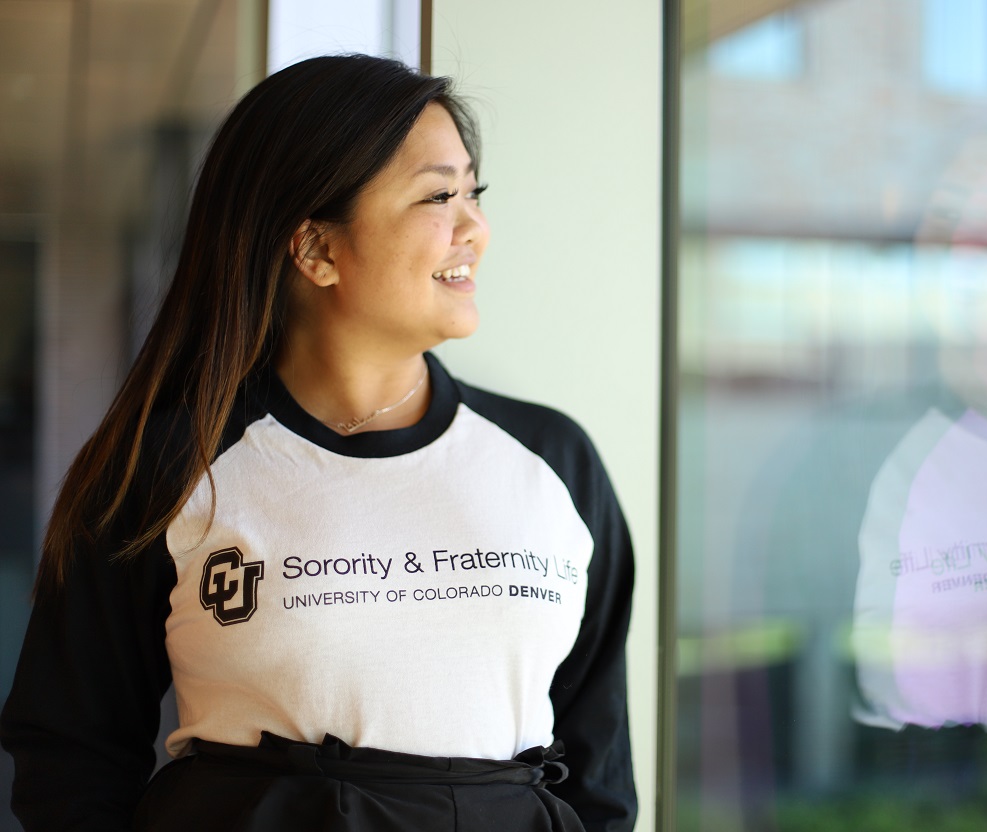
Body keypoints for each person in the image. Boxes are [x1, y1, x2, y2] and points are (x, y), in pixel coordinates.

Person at [0, 54, 636, 832]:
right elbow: (71, 762)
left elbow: (598, 777)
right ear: (316, 250)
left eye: (474, 192)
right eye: (439, 195)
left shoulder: (552, 462)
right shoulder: (166, 466)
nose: (476, 228)